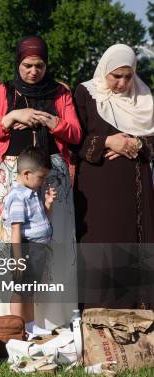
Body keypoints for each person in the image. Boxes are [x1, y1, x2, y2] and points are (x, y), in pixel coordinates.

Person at [0, 36, 81, 328]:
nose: (33, 71)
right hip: (12, 179)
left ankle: (50, 322)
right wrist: (11, 118)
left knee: (50, 242)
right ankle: (7, 325)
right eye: (26, 65)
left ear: (47, 65)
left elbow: (75, 134)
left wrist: (51, 121)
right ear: (18, 64)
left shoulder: (59, 92)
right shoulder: (4, 92)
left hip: (51, 180)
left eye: (39, 65)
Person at [73, 44, 154, 308]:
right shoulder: (86, 93)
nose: (122, 83)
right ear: (104, 69)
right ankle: (98, 315)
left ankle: (137, 314)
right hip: (97, 190)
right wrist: (108, 141)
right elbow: (75, 140)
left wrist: (137, 145)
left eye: (127, 76)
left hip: (135, 187)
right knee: (101, 245)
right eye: (115, 76)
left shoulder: (143, 98)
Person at [3, 147, 56, 329]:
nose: (42, 182)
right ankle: (16, 327)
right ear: (26, 174)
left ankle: (30, 326)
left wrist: (48, 205)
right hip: (26, 249)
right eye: (41, 177)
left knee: (30, 290)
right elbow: (16, 229)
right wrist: (18, 258)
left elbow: (42, 221)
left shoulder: (32, 194)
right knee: (19, 289)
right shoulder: (18, 197)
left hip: (37, 249)